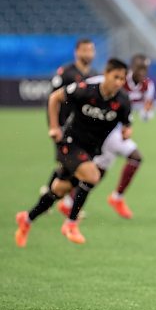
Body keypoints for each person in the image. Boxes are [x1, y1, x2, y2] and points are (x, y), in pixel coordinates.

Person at [15, 58, 131, 247]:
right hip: (69, 144)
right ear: (106, 74)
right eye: (115, 77)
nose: (118, 82)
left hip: (91, 150)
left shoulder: (122, 100)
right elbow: (55, 98)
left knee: (59, 190)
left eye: (122, 79)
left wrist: (127, 131)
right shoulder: (86, 89)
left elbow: (127, 124)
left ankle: (27, 219)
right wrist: (54, 127)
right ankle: (71, 223)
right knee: (93, 176)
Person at [58, 54, 154, 219]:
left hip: (116, 131)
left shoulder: (148, 85)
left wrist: (145, 114)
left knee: (98, 171)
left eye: (145, 69)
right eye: (139, 68)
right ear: (132, 68)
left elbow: (146, 112)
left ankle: (67, 201)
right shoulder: (119, 80)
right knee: (135, 157)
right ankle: (117, 198)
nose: (142, 72)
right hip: (105, 130)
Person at [40, 39, 98, 198]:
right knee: (73, 164)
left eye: (91, 50)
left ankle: (50, 193)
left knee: (70, 165)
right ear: (77, 52)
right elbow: (52, 100)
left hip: (82, 130)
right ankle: (58, 199)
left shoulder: (94, 75)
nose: (89, 54)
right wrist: (54, 126)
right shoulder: (65, 73)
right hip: (64, 127)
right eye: (85, 50)